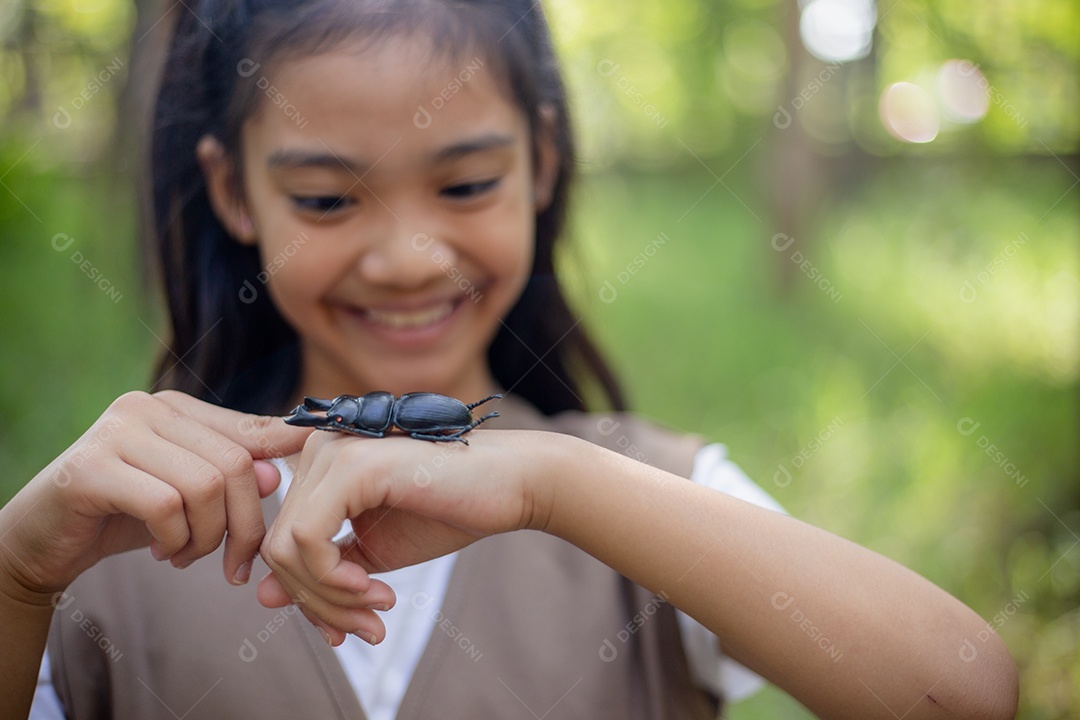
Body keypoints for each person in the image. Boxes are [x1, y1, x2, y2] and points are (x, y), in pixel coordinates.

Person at [0, 0, 1018, 718]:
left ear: (542, 160)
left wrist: (554, 482)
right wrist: (13, 581)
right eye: (325, 198)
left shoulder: (646, 495)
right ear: (231, 190)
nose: (408, 258)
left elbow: (963, 690)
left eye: (467, 184)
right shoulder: (111, 557)